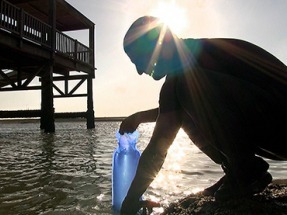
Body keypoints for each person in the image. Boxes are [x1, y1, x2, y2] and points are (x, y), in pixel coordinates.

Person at [119, 16, 287, 214]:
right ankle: (236, 168)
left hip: (280, 121)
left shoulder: (186, 71)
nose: (139, 71)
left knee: (184, 89)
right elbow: (182, 110)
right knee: (183, 99)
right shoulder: (189, 60)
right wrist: (140, 117)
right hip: (273, 123)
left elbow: (159, 146)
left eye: (138, 60)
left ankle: (245, 169)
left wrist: (129, 201)